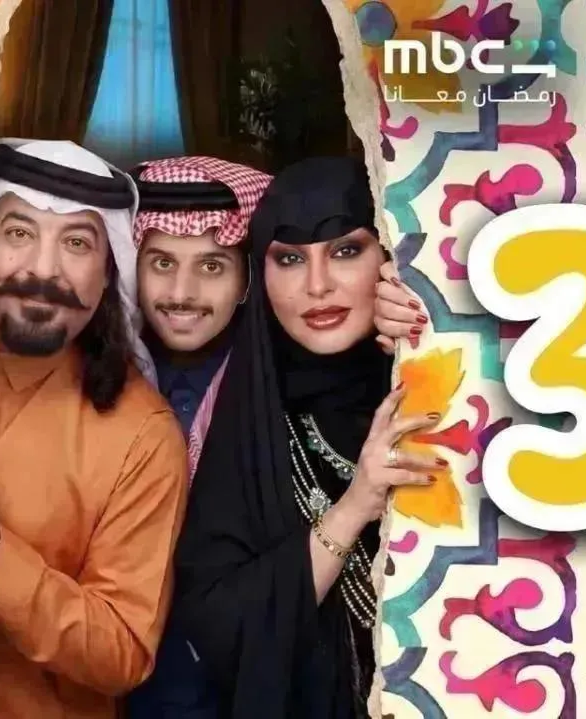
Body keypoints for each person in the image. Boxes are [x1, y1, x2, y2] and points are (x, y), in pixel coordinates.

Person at [0, 139, 190, 719]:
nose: (42, 269)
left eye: (77, 243)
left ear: (108, 276)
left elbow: (124, 653)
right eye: (18, 233)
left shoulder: (144, 436)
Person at [172, 157, 440, 718]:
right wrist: (354, 507)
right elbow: (217, 625)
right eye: (290, 258)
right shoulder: (256, 417)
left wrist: (436, 327)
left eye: (346, 251)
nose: (318, 285)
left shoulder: (446, 381)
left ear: (388, 259)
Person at [122, 156, 270, 718]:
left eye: (211, 266)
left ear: (247, 278)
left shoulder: (279, 378)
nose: (181, 293)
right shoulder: (96, 371)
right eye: (161, 262)